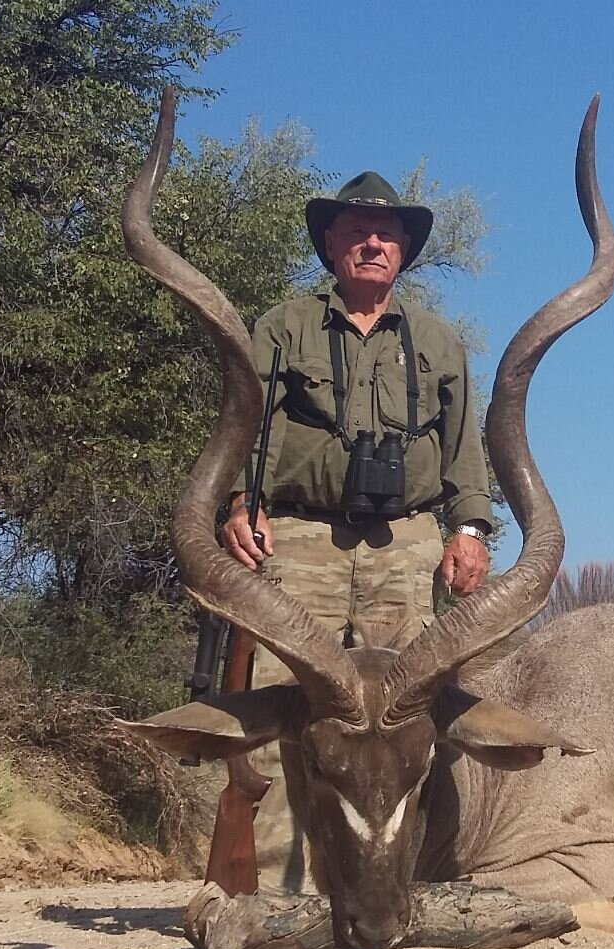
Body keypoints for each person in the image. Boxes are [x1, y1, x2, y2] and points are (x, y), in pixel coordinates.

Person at [217, 171, 496, 893]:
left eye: (386, 234)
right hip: (298, 535)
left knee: (411, 720)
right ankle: (279, 894)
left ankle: (411, 882)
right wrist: (238, 503)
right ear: (330, 245)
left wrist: (467, 525)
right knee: (290, 713)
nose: (371, 243)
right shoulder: (284, 326)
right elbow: (246, 427)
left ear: (403, 250)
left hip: (405, 540)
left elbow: (464, 441)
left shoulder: (435, 340)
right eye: (355, 232)